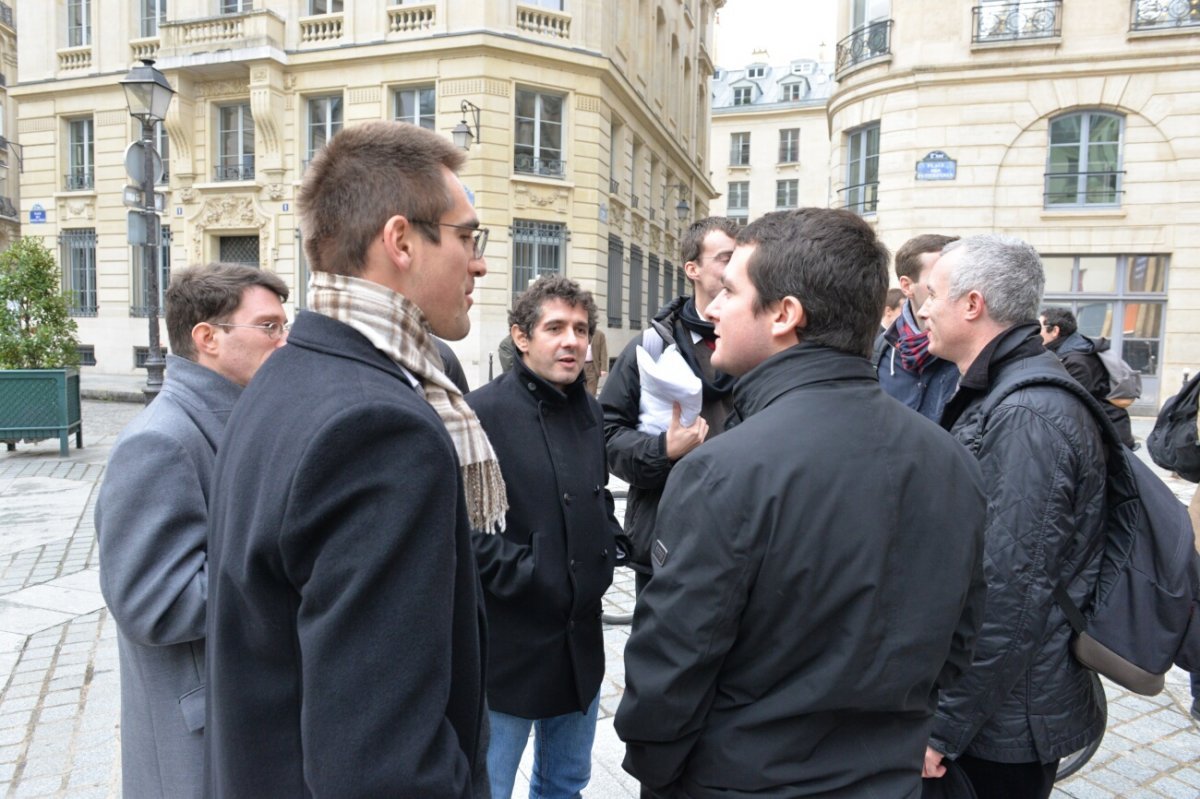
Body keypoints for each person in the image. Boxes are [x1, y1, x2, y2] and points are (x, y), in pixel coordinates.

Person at [614, 208, 988, 798]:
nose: (711, 309)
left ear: (785, 314)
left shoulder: (723, 470)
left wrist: (659, 775)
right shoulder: (953, 463)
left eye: (730, 292)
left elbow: (672, 667)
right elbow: (959, 642)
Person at [205, 121, 495, 797]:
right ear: (400, 240)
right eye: (467, 236)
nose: (479, 262)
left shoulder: (284, 376)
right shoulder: (382, 428)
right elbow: (380, 763)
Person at [919, 234, 1107, 799]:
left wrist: (943, 729)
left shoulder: (1028, 412)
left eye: (932, 294)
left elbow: (1008, 591)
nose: (922, 308)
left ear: (972, 305)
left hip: (1002, 723)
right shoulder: (1005, 389)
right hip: (998, 709)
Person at [96, 263, 289, 799]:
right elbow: (153, 605)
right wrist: (293, 564)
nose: (285, 340)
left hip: (242, 722)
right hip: (200, 741)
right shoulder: (161, 440)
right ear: (207, 338)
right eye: (269, 327)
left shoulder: (236, 419)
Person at [466, 275, 621, 799]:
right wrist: (533, 574)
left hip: (580, 643)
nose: (571, 340)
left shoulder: (590, 412)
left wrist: (610, 545)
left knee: (565, 784)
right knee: (491, 784)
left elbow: (595, 495)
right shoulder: (479, 413)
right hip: (510, 645)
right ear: (521, 336)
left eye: (580, 329)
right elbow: (463, 529)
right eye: (554, 327)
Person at [600, 216, 739, 593]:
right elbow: (607, 434)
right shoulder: (650, 348)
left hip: (741, 539)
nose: (736, 266)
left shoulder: (761, 345)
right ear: (692, 269)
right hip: (666, 541)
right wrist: (663, 451)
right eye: (725, 258)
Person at [873, 234, 961, 422]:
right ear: (907, 286)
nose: (953, 288)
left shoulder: (969, 351)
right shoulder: (878, 352)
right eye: (936, 278)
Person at [1039, 306, 1135, 447]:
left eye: (1039, 327)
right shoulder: (1070, 350)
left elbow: (1070, 404)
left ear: (1055, 331)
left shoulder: (1076, 359)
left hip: (1107, 435)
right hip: (1101, 431)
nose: (1036, 333)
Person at [582, 326, 608, 395]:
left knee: (591, 393)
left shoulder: (600, 335)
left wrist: (603, 368)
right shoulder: (579, 333)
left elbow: (603, 352)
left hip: (593, 366)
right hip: (580, 366)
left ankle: (590, 405)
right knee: (581, 392)